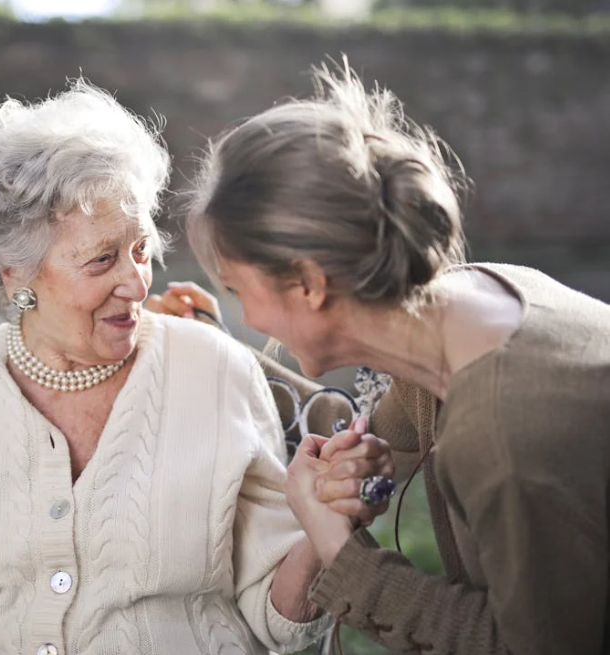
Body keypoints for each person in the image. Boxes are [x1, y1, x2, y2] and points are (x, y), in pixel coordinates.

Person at [0, 80, 392, 655]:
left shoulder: (214, 369)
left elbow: (280, 617)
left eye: (141, 249)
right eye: (101, 259)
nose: (137, 281)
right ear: (14, 274)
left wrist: (322, 524)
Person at [177, 59, 610, 655]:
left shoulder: (505, 438)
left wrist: (342, 554)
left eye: (237, 291)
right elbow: (373, 430)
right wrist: (203, 344)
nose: (247, 318)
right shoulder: (475, 299)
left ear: (307, 283)